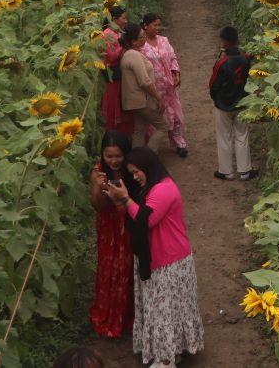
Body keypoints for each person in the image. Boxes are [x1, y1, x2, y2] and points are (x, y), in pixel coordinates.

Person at [103, 147, 204, 368]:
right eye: (132, 172)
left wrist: (125, 198)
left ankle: (165, 360)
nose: (136, 176)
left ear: (149, 166)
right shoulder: (147, 189)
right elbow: (133, 218)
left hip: (170, 261)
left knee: (164, 312)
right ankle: (171, 351)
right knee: (163, 310)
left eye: (138, 171)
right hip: (157, 259)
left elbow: (145, 220)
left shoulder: (164, 189)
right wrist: (120, 202)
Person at [88, 131, 135, 338]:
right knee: (110, 266)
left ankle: (130, 315)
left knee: (128, 265)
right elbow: (97, 206)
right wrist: (99, 189)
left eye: (118, 156)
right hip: (109, 226)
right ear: (102, 155)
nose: (114, 161)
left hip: (129, 222)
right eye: (109, 156)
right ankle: (111, 314)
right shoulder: (98, 173)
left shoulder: (132, 170)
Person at [209, 26, 256, 180]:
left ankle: (226, 171)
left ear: (223, 42)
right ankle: (245, 171)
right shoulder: (245, 58)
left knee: (224, 136)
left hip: (223, 104)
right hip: (242, 102)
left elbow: (213, 84)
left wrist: (216, 98)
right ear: (237, 40)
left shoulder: (221, 62)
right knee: (242, 135)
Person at [139, 14, 188, 157]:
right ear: (145, 26)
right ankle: (153, 149)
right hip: (153, 89)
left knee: (176, 116)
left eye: (158, 25)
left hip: (169, 87)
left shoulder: (164, 40)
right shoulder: (141, 46)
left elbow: (172, 57)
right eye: (154, 25)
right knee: (157, 118)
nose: (157, 28)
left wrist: (176, 73)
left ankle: (180, 143)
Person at [120, 23, 169, 153]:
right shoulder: (134, 55)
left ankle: (137, 161)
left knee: (139, 131)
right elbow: (144, 81)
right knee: (163, 126)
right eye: (141, 37)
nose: (144, 39)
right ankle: (148, 156)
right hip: (142, 100)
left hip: (135, 101)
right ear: (134, 41)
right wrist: (158, 98)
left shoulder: (130, 54)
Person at [99, 6, 134, 135]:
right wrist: (123, 46)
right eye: (123, 18)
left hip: (118, 73)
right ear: (114, 19)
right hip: (113, 75)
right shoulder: (107, 34)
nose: (126, 21)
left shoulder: (116, 31)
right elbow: (112, 56)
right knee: (114, 105)